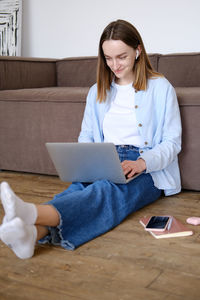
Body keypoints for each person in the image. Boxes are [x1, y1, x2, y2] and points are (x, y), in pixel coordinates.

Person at [0, 19, 182, 259]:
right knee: (77, 190)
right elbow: (86, 135)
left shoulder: (161, 87)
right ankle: (32, 235)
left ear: (138, 51)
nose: (114, 65)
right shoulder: (97, 90)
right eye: (108, 58)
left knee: (107, 192)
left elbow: (172, 141)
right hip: (104, 157)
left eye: (122, 57)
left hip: (146, 166)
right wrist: (86, 160)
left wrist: (141, 163)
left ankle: (31, 213)